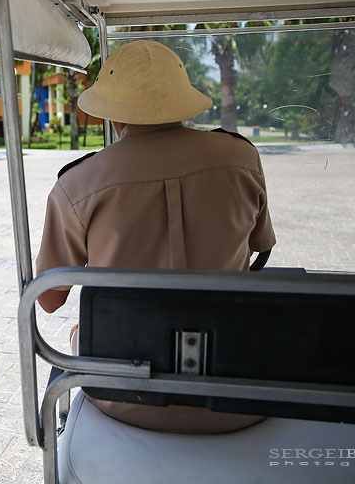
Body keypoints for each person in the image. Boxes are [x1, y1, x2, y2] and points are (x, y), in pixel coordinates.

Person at [35, 39, 276, 434]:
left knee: (81, 333)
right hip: (235, 387)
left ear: (111, 115)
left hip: (122, 395)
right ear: (181, 102)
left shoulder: (77, 185)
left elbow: (47, 299)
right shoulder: (242, 160)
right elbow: (261, 247)